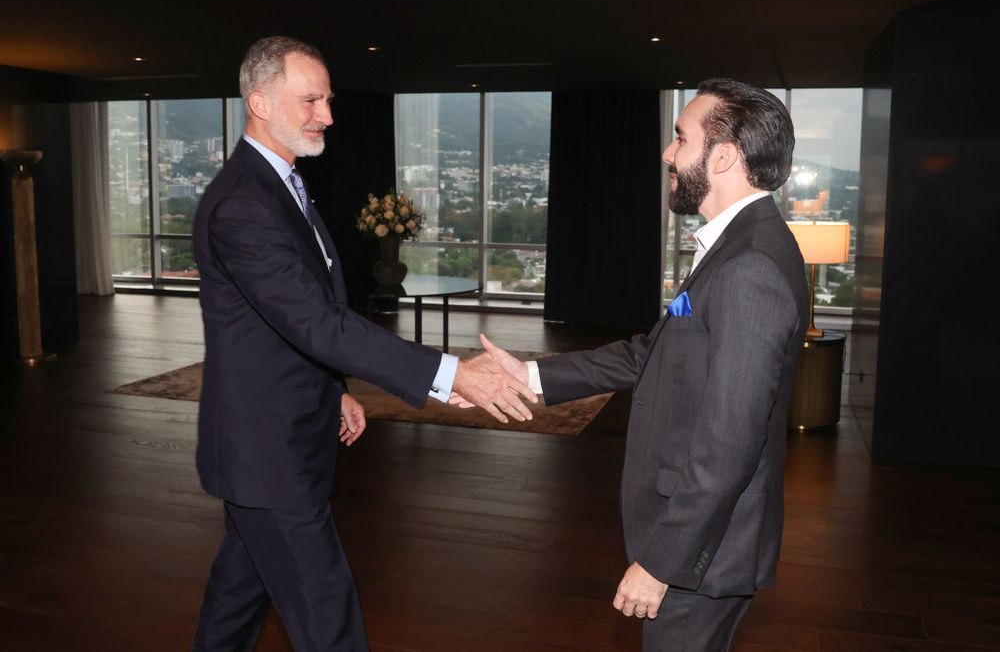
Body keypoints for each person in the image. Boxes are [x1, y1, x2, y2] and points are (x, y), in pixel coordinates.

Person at [191, 36, 535, 652]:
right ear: (260, 103)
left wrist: (335, 390)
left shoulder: (280, 184)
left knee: (236, 601)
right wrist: (451, 374)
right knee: (327, 614)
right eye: (311, 100)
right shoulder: (244, 204)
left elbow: (301, 316)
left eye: (328, 100)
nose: (326, 115)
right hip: (266, 452)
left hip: (275, 440)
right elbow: (317, 323)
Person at [474, 79, 809, 651]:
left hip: (699, 556)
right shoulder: (736, 248)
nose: (667, 153)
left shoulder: (748, 268)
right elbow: (652, 350)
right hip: (706, 546)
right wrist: (528, 375)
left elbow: (729, 445)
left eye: (681, 138)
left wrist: (661, 563)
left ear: (724, 157)